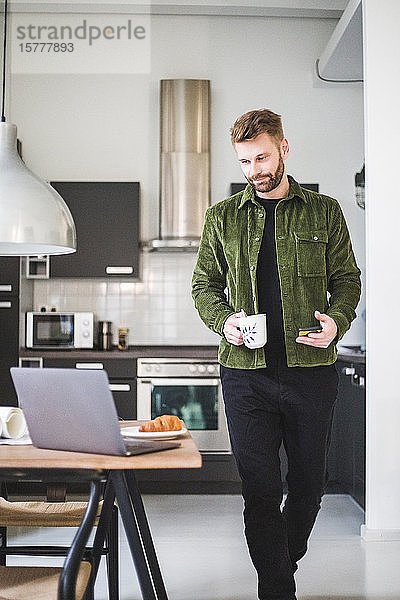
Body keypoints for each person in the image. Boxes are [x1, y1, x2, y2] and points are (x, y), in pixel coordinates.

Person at [191, 108, 361, 600]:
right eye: (245, 161)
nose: (255, 170)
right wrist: (226, 322)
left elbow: (346, 281)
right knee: (260, 492)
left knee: (309, 488)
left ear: (284, 149)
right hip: (245, 375)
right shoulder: (222, 217)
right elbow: (204, 286)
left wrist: (337, 321)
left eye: (262, 157)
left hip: (311, 373)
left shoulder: (324, 210)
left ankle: (279, 564)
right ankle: (278, 590)